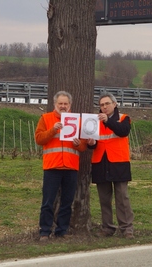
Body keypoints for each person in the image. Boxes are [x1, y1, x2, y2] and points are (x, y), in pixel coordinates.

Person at [35, 91, 87, 242]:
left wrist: (79, 144)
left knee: (67, 202)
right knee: (48, 202)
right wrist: (53, 130)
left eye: (66, 104)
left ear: (70, 105)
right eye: (60, 104)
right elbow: (39, 139)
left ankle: (62, 230)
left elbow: (83, 147)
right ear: (55, 104)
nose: (63, 106)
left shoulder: (77, 121)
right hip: (52, 166)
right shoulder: (46, 118)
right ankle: (44, 231)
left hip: (70, 167)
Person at [87, 93, 134, 239]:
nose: (104, 107)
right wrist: (91, 144)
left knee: (122, 198)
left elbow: (122, 131)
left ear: (115, 104)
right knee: (104, 199)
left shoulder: (124, 118)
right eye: (101, 105)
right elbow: (94, 144)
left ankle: (126, 228)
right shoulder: (94, 121)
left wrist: (107, 121)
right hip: (100, 163)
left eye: (107, 104)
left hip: (119, 163)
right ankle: (107, 227)